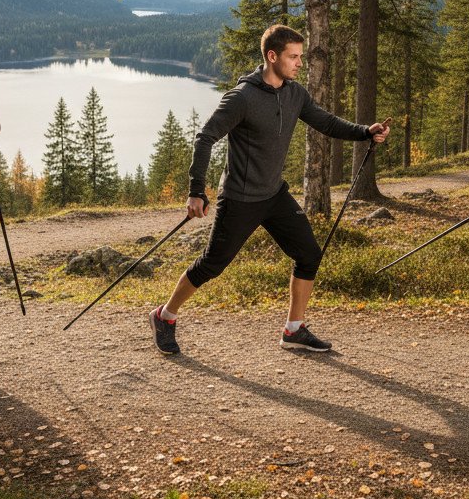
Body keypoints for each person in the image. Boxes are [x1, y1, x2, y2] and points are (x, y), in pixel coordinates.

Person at [149, 24, 391, 355]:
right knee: (212, 265)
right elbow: (205, 137)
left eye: (301, 56)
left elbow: (325, 122)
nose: (299, 63)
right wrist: (196, 190)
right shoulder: (241, 98)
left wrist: (365, 131)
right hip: (240, 198)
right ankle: (165, 315)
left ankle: (294, 330)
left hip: (274, 195)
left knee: (308, 254)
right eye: (294, 57)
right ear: (272, 56)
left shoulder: (294, 93)